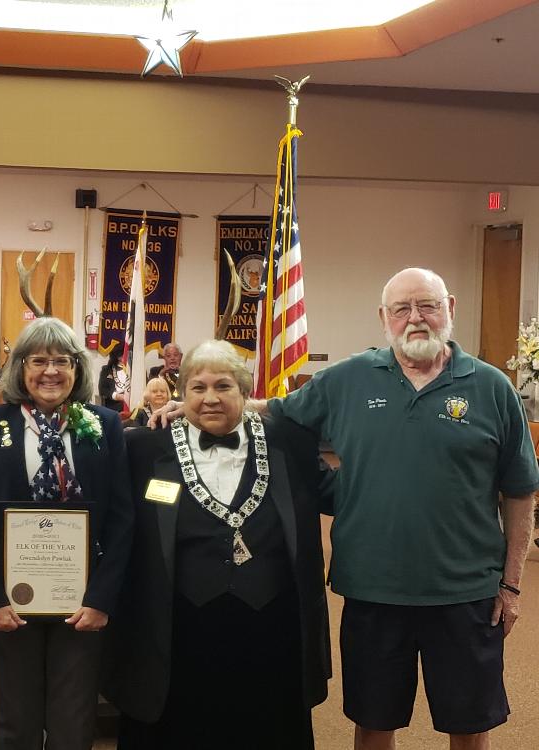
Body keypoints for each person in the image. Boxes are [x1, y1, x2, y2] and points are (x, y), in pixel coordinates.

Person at [266, 268, 539, 750]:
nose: (415, 318)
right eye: (401, 309)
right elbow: (279, 415)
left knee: (470, 724)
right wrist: (201, 405)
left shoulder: (491, 387)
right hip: (374, 589)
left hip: (466, 591)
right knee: (373, 721)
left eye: (427, 305)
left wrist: (512, 584)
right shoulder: (347, 379)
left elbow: (520, 492)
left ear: (449, 308)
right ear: (383, 317)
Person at [104, 339, 331, 749]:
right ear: (181, 393)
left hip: (270, 627)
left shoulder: (289, 442)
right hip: (176, 628)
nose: (210, 398)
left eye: (224, 386)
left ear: (246, 394)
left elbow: (341, 494)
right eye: (198, 387)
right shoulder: (142, 448)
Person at [0, 316, 134, 750]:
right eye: (38, 360)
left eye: (62, 361)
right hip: (11, 599)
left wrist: (101, 599)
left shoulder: (105, 424)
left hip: (82, 601)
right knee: (14, 721)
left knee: (73, 722)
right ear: (20, 368)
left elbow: (122, 518)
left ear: (78, 369)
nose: (50, 371)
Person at [97, 347, 128, 413]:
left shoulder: (133, 370)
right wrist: (116, 396)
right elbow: (102, 390)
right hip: (114, 403)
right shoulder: (107, 370)